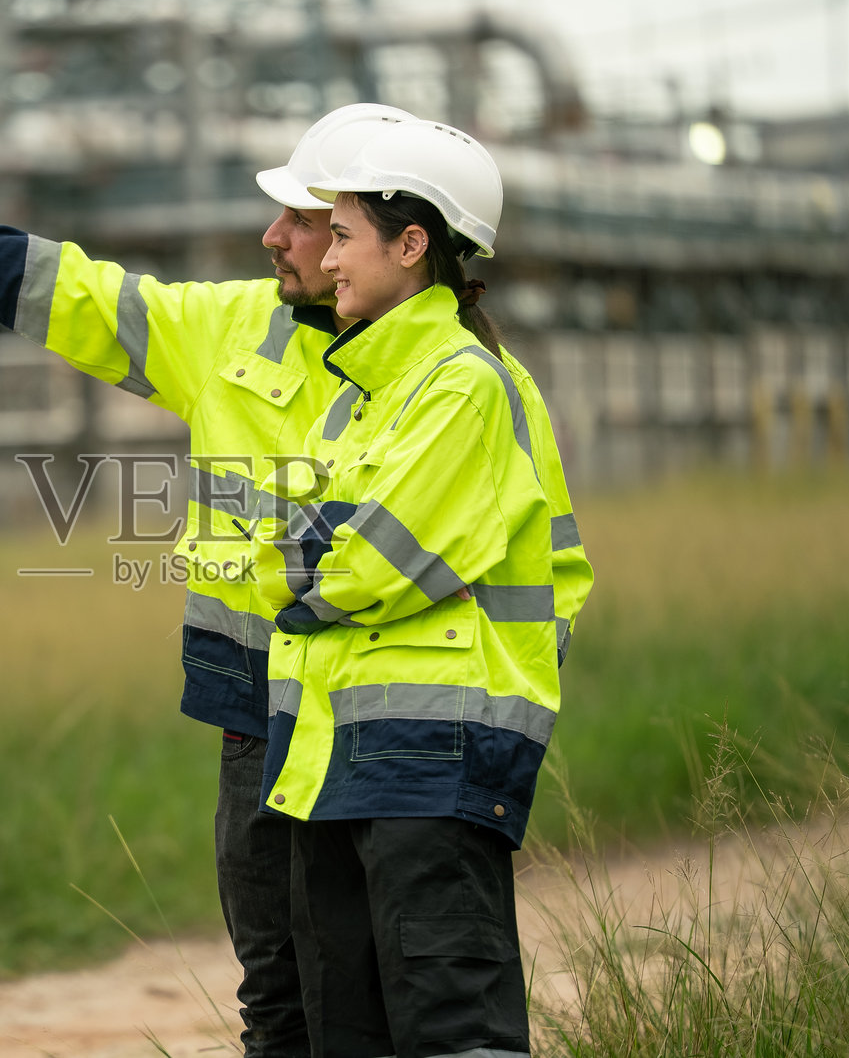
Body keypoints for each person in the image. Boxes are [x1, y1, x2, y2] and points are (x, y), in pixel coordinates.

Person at [0, 102, 419, 1058]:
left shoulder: (449, 372)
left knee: (381, 997)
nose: (280, 239)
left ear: (392, 242)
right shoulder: (227, 331)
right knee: (278, 998)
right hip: (256, 721)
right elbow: (69, 291)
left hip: (382, 725)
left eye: (308, 220)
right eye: (297, 220)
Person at [249, 119, 593, 1058]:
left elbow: (362, 566)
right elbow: (325, 554)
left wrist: (271, 556)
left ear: (411, 246)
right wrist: (300, 553)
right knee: (345, 1036)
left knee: (450, 1032)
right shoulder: (365, 386)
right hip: (337, 757)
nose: (323, 254)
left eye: (343, 234)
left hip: (430, 759)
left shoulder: (460, 386)